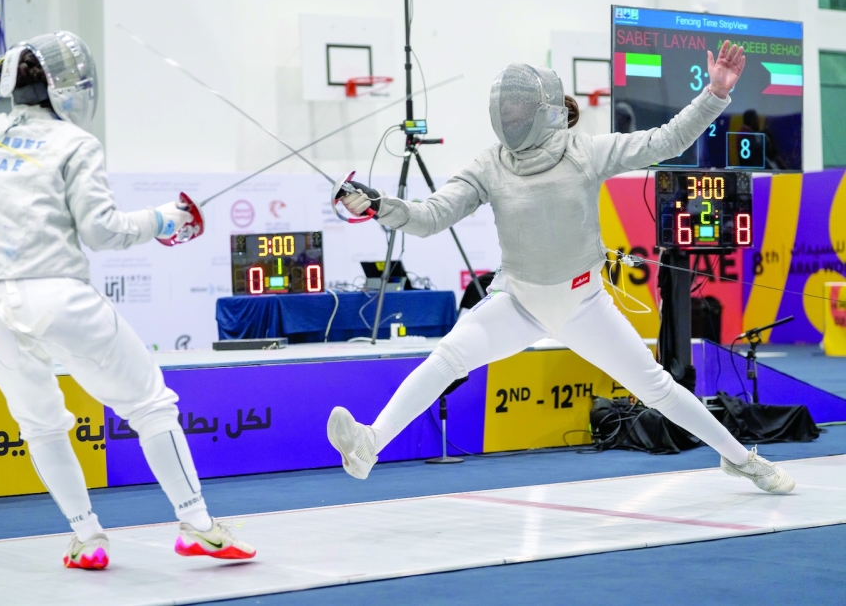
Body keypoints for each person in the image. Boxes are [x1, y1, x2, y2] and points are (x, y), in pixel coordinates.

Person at [0, 31, 254, 569]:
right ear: (69, 87)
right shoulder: (74, 143)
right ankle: (199, 527)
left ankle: (88, 539)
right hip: (57, 299)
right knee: (149, 404)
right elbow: (103, 231)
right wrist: (164, 219)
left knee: (40, 424)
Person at [328, 41, 795, 495]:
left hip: (583, 304)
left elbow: (665, 140)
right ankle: (370, 444)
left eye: (517, 109)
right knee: (447, 358)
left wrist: (714, 93)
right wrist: (380, 205)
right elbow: (431, 215)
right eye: (505, 110)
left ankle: (742, 460)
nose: (510, 118)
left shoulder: (584, 151)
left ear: (543, 110)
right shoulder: (490, 165)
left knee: (657, 388)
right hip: (518, 302)